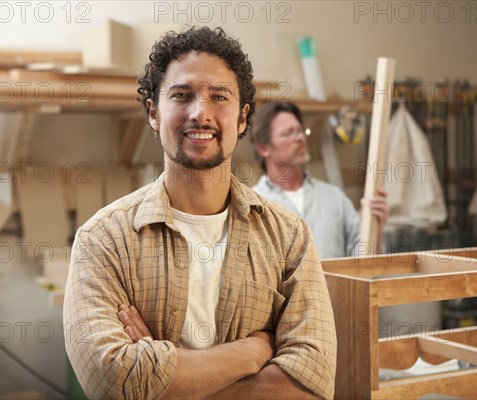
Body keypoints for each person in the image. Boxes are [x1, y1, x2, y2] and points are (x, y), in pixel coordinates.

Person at [63, 27, 336, 399]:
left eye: (219, 96)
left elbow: (312, 384)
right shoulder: (104, 240)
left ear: (242, 119)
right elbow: (112, 382)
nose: (200, 113)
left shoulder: (288, 236)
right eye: (182, 95)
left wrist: (162, 378)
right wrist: (251, 352)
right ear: (153, 113)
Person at [249, 102, 388, 259]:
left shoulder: (334, 197)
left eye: (300, 131)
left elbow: (365, 262)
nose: (300, 138)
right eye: (288, 133)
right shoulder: (252, 207)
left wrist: (375, 227)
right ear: (263, 148)